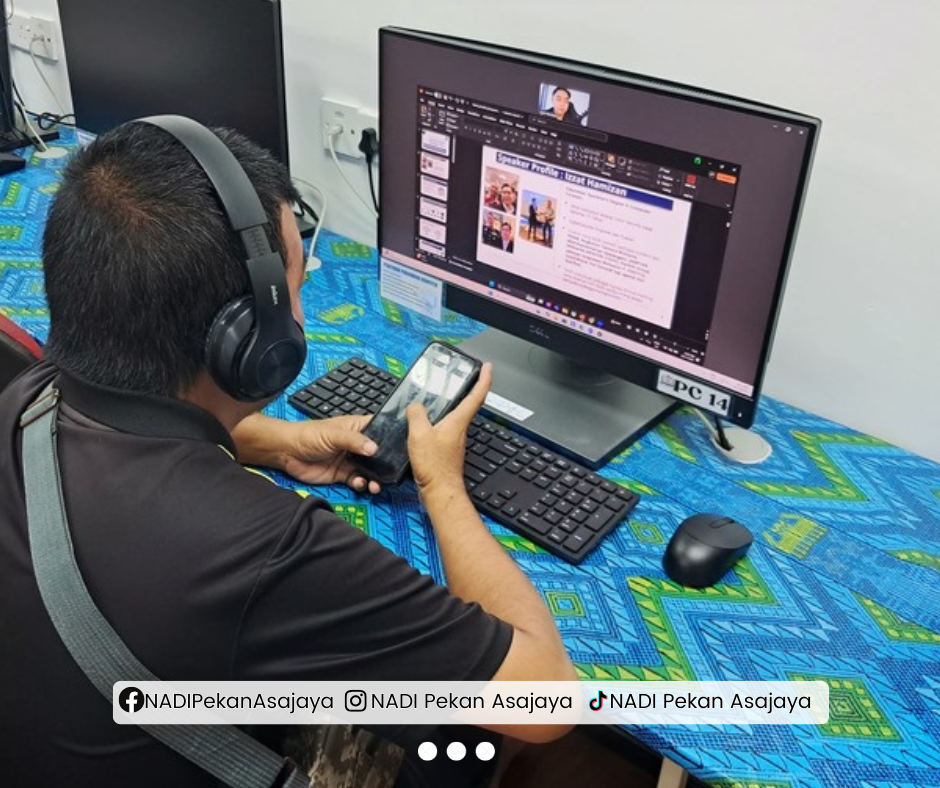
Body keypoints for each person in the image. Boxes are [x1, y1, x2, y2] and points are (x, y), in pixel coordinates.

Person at [0, 120, 575, 787]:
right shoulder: (267, 548)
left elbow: (135, 428)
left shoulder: (29, 395)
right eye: (296, 289)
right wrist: (442, 484)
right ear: (252, 338)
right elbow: (545, 702)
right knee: (459, 732)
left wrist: (282, 441)